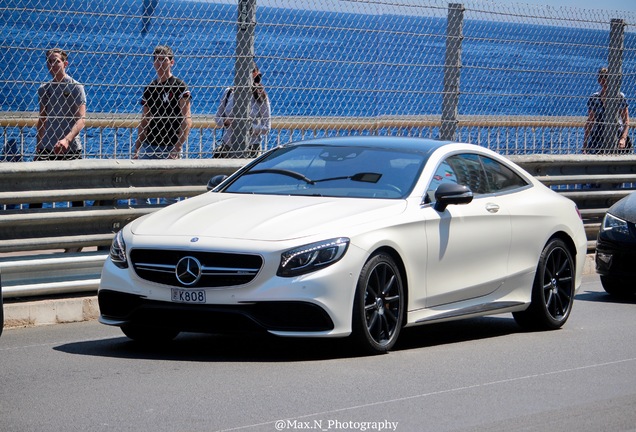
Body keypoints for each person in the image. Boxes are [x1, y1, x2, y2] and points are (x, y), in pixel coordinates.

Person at [133, 45, 192, 204]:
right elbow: (145, 119)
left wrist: (178, 146)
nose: (160, 63)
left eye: (163, 59)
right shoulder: (150, 88)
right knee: (140, 189)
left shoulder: (180, 86)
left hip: (170, 144)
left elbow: (186, 118)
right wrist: (137, 146)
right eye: (157, 60)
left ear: (171, 62)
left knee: (170, 192)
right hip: (150, 143)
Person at [33, 47, 86, 208]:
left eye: (57, 61)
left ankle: (79, 228)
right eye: (50, 61)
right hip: (47, 147)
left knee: (76, 194)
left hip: (69, 147)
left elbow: (81, 120)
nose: (53, 65)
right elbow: (42, 120)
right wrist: (38, 148)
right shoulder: (44, 89)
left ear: (65, 63)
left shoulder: (76, 87)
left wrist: (67, 139)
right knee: (37, 193)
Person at [215, 64, 271, 158]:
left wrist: (248, 127)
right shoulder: (229, 92)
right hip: (228, 146)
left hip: (251, 147)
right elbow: (217, 117)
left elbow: (266, 128)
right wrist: (226, 122)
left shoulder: (260, 96)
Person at [583, 67, 630, 155]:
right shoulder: (595, 98)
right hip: (598, 137)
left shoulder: (619, 97)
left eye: (606, 77)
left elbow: (626, 120)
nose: (604, 80)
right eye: (601, 77)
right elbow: (590, 121)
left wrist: (623, 138)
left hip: (616, 135)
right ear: (599, 80)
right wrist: (585, 143)